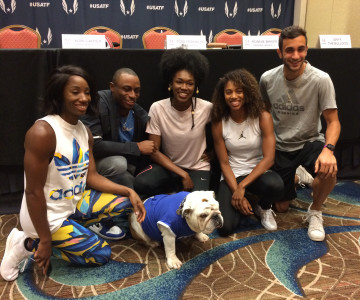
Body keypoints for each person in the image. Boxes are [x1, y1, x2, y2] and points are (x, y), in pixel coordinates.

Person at [0, 66, 146, 282]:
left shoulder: (83, 130)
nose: (84, 98)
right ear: (59, 94)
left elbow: (92, 176)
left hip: (71, 203)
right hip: (45, 217)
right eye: (75, 92)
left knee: (126, 203)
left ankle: (74, 232)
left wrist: (128, 191)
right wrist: (46, 241)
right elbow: (32, 192)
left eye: (87, 92)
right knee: (101, 254)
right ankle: (28, 243)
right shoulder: (43, 132)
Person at [259, 25, 341, 241]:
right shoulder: (267, 78)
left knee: (329, 170)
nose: (295, 56)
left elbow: (333, 122)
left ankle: (315, 211)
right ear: (280, 53)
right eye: (289, 50)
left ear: (306, 50)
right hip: (280, 146)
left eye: (301, 49)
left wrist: (328, 150)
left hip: (310, 141)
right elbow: (264, 113)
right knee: (282, 207)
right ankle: (297, 177)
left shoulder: (321, 79)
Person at [81, 68, 154, 239]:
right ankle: (97, 216)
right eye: (126, 89)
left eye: (136, 90)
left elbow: (155, 130)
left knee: (133, 176)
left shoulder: (136, 111)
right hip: (89, 166)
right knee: (119, 164)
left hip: (123, 164)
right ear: (112, 87)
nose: (132, 95)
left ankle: (132, 212)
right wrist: (136, 147)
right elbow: (96, 146)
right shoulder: (98, 104)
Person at [211, 69, 284, 236]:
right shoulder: (218, 121)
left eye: (239, 91)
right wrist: (237, 190)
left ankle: (263, 207)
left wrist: (242, 187)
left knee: (277, 185)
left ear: (247, 92)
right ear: (223, 95)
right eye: (228, 92)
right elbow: (224, 163)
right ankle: (240, 202)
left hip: (257, 172)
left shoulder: (262, 116)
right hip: (233, 173)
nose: (234, 96)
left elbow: (269, 159)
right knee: (225, 227)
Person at [134, 49, 212, 197]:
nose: (184, 87)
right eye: (179, 82)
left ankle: (175, 192)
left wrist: (213, 154)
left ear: (196, 87)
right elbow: (154, 152)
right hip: (169, 167)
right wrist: (183, 174)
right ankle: (171, 192)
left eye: (190, 83)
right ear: (171, 83)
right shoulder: (158, 108)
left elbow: (226, 131)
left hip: (198, 167)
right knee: (141, 183)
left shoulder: (207, 108)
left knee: (197, 204)